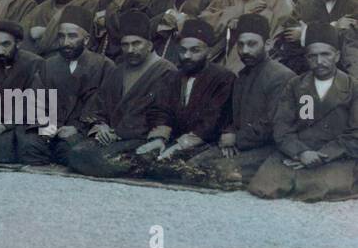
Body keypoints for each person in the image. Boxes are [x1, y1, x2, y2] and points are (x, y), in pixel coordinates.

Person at [248, 24, 357, 201]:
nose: (319, 61)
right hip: (300, 148)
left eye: (325, 54)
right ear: (306, 58)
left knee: (317, 188)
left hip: (335, 153)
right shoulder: (295, 85)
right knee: (264, 186)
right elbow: (282, 125)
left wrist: (324, 155)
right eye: (313, 56)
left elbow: (355, 133)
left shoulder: (353, 87)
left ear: (337, 56)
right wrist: (301, 152)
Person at [63, 11, 175, 178]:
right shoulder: (118, 70)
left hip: (143, 138)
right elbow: (100, 106)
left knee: (92, 157)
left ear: (150, 45)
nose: (130, 50)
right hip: (113, 138)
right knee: (75, 151)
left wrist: (118, 133)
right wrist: (102, 126)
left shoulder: (166, 71)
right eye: (125, 45)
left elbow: (160, 114)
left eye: (136, 43)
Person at [189, 14, 294, 187]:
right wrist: (228, 132)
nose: (245, 51)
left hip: (269, 148)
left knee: (217, 170)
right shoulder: (242, 75)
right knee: (194, 164)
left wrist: (236, 139)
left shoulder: (281, 77)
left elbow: (273, 125)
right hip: (242, 143)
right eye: (241, 44)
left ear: (268, 44)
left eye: (252, 44)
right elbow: (232, 113)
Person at [127, 19, 234, 176]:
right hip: (173, 140)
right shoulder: (173, 77)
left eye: (195, 50)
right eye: (183, 50)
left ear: (209, 52)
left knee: (179, 169)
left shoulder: (223, 78)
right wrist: (160, 139)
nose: (187, 56)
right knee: (138, 161)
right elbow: (161, 110)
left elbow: (213, 119)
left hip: (205, 142)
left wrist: (179, 145)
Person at [36, 4, 115, 165]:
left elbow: (104, 107)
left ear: (86, 39)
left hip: (83, 131)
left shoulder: (104, 66)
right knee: (27, 147)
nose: (66, 42)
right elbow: (36, 100)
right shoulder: (48, 65)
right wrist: (47, 126)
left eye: (72, 36)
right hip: (50, 130)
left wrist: (78, 128)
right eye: (61, 36)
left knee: (71, 151)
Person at [0, 21, 50, 164]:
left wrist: (6, 125)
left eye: (6, 44)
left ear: (18, 43)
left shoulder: (35, 63)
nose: (0, 51)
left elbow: (34, 101)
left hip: (24, 123)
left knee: (28, 147)